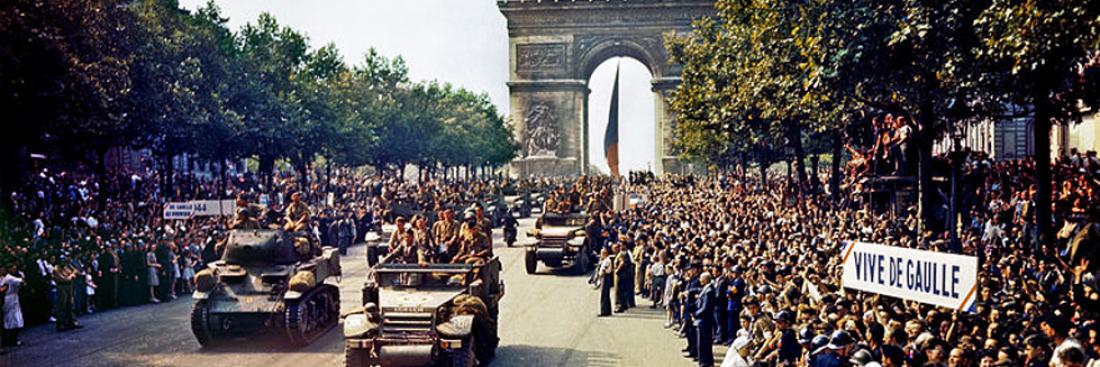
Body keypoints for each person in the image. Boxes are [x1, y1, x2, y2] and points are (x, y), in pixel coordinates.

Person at [694, 271, 717, 367]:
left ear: (706, 279)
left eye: (701, 278)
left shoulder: (709, 291)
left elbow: (705, 307)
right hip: (703, 320)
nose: (700, 280)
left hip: (704, 320)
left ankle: (704, 362)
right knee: (704, 342)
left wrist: (695, 314)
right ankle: (705, 361)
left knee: (703, 342)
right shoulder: (706, 289)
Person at [52, 258, 81, 332]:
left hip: (69, 286)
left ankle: (71, 322)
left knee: (70, 304)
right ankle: (61, 324)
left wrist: (71, 275)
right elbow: (63, 279)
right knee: (62, 305)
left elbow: (76, 271)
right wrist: (71, 276)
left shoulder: (68, 266)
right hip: (62, 287)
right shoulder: (56, 268)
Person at [1, 265, 25, 346]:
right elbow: (21, 281)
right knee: (13, 318)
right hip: (10, 298)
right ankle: (12, 339)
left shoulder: (4, 278)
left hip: (9, 298)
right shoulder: (9, 278)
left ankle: (9, 339)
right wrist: (22, 276)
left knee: (9, 318)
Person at [597, 248, 613, 317]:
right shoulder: (605, 260)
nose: (600, 255)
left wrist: (600, 277)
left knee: (604, 295)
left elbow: (603, 270)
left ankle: (604, 311)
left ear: (605, 254)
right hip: (605, 277)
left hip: (605, 277)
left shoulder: (607, 261)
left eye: (601, 253)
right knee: (606, 294)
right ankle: (608, 310)